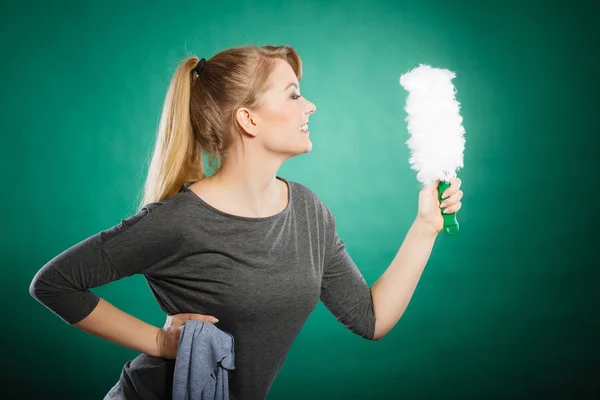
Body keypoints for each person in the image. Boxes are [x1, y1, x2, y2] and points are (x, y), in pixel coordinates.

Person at [29, 44, 463, 399]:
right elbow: (53, 284)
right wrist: (160, 342)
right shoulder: (179, 221)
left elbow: (372, 318)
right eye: (293, 94)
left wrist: (425, 226)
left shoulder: (309, 211)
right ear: (248, 119)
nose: (310, 105)